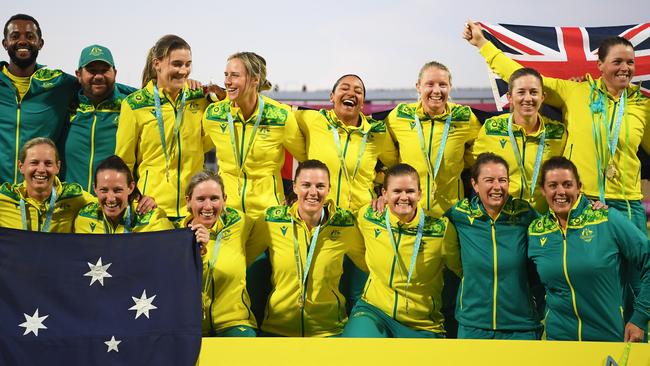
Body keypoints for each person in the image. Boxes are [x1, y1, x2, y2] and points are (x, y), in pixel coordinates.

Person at [464, 21, 650, 232]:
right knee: (586, 264)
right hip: (581, 201)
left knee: (639, 263)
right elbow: (525, 79)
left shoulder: (643, 105)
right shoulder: (574, 92)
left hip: (628, 202)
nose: (625, 68)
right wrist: (482, 45)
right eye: (617, 61)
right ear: (600, 65)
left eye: (630, 62)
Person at [528, 156, 650, 342]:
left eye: (567, 184)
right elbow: (532, 283)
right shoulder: (536, 232)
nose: (560, 191)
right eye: (553, 185)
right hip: (559, 343)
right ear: (542, 190)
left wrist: (639, 318)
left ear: (579, 187)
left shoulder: (606, 219)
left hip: (611, 339)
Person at [246, 160, 366, 337]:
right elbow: (240, 257)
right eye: (306, 185)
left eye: (320, 186)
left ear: (328, 189)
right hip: (277, 330)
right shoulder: (271, 221)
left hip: (329, 332)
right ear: (294, 187)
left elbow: (369, 263)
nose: (313, 192)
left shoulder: (345, 224)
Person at [342, 163, 461, 338]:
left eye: (410, 191)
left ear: (419, 194)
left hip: (422, 323)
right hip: (374, 312)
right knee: (357, 351)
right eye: (397, 191)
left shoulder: (440, 229)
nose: (404, 197)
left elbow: (462, 270)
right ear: (384, 193)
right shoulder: (368, 216)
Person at [116, 34, 212, 222]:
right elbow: (123, 163)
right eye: (176, 64)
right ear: (157, 64)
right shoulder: (135, 105)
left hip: (194, 209)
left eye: (188, 64)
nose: (183, 71)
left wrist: (216, 93)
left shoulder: (199, 99)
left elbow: (210, 141)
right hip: (153, 209)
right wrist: (137, 197)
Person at [446, 153, 541, 339]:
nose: (497, 187)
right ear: (474, 184)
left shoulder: (525, 213)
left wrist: (588, 207)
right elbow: (423, 222)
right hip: (473, 324)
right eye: (489, 180)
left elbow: (558, 226)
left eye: (503, 180)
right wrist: (384, 202)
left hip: (520, 326)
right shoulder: (459, 214)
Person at [202, 51, 306, 219]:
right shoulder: (213, 115)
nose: (227, 81)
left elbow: (306, 156)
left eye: (235, 75)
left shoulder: (280, 116)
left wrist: (298, 193)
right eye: (226, 75)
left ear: (255, 80)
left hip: (268, 213)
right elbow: (194, 149)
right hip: (228, 212)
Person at [385, 61, 481, 217]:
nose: (437, 91)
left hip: (451, 213)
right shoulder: (399, 115)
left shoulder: (464, 117)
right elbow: (380, 148)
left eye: (442, 85)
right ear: (418, 86)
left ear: (450, 87)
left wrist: (462, 161)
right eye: (430, 84)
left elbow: (482, 146)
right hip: (409, 211)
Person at [294, 74, 398, 211]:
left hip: (360, 219)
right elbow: (276, 113)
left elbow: (396, 168)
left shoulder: (377, 132)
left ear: (362, 103)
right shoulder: (312, 120)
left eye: (358, 91)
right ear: (332, 96)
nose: (351, 93)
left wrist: (385, 195)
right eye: (344, 88)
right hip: (320, 217)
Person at [471, 68, 567, 212]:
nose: (528, 98)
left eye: (534, 92)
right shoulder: (491, 128)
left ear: (543, 97)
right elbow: (475, 170)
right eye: (521, 92)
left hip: (541, 222)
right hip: (503, 221)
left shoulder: (558, 133)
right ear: (510, 97)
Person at [0, 14, 77, 185]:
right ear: (5, 43)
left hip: (38, 193)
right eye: (15, 36)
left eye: (29, 36)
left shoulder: (60, 84)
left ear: (40, 43)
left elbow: (97, 82)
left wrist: (147, 91)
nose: (22, 41)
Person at [182, 170, 257, 337]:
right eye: (200, 199)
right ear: (188, 201)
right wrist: (197, 253)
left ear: (224, 200)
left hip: (235, 323)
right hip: (190, 325)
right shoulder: (175, 234)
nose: (208, 207)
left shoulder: (240, 223)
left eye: (214, 198)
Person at [62, 45, 137, 192]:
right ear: (78, 74)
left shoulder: (130, 105)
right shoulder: (65, 104)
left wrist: (184, 86)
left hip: (113, 203)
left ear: (115, 73)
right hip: (72, 203)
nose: (98, 76)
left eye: (104, 70)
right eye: (92, 71)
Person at [0, 137, 94, 232]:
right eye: (34, 163)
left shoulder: (74, 197)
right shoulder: (4, 197)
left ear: (57, 167)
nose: (41, 169)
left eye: (48, 163)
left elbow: (104, 207)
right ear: (21, 167)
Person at [74, 155, 173, 233]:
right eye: (104, 190)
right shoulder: (84, 218)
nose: (111, 198)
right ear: (94, 188)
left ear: (130, 188)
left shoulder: (151, 220)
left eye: (117, 190)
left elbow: (174, 250)